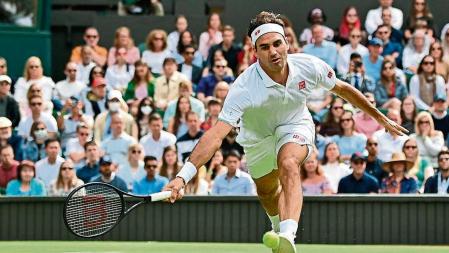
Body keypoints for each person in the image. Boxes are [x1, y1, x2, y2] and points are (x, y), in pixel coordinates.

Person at [163, 11, 407, 252]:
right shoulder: (243, 87)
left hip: (295, 124)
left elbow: (342, 89)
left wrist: (380, 117)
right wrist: (182, 177)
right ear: (255, 52)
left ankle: (289, 236)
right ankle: (278, 226)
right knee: (267, 191)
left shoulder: (308, 65)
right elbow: (215, 135)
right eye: (265, 47)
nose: (273, 52)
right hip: (257, 139)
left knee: (289, 163)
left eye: (277, 43)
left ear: (287, 43)